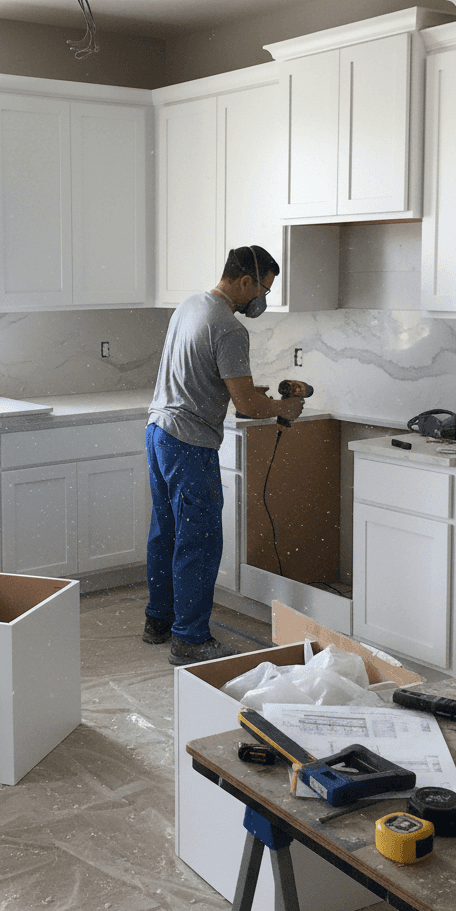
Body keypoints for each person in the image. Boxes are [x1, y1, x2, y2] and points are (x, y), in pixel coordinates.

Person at [144, 245, 306, 666]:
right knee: (199, 541)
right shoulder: (230, 329)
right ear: (245, 281)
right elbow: (248, 405)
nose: (262, 301)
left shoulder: (191, 306)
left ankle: (158, 621)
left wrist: (254, 396)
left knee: (166, 532)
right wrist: (282, 407)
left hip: (158, 431)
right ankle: (190, 639)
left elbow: (221, 382)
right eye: (263, 290)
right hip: (189, 444)